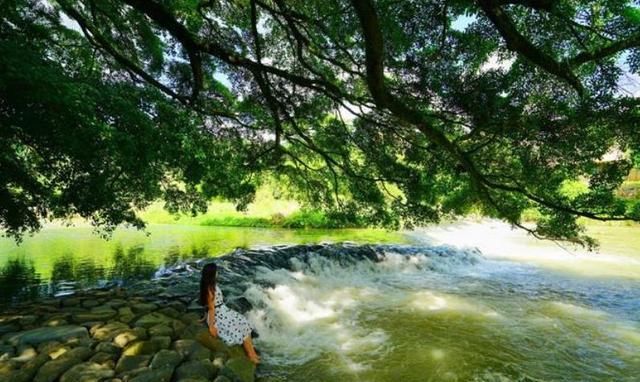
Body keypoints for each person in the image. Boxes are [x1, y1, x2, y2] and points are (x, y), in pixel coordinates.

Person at [199, 262, 260, 364]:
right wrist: (211, 326)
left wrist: (204, 318)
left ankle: (253, 353)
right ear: (212, 274)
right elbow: (211, 308)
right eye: (216, 271)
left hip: (223, 310)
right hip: (218, 315)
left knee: (243, 322)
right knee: (240, 328)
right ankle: (251, 355)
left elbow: (207, 306)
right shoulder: (209, 290)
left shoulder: (211, 285)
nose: (218, 273)